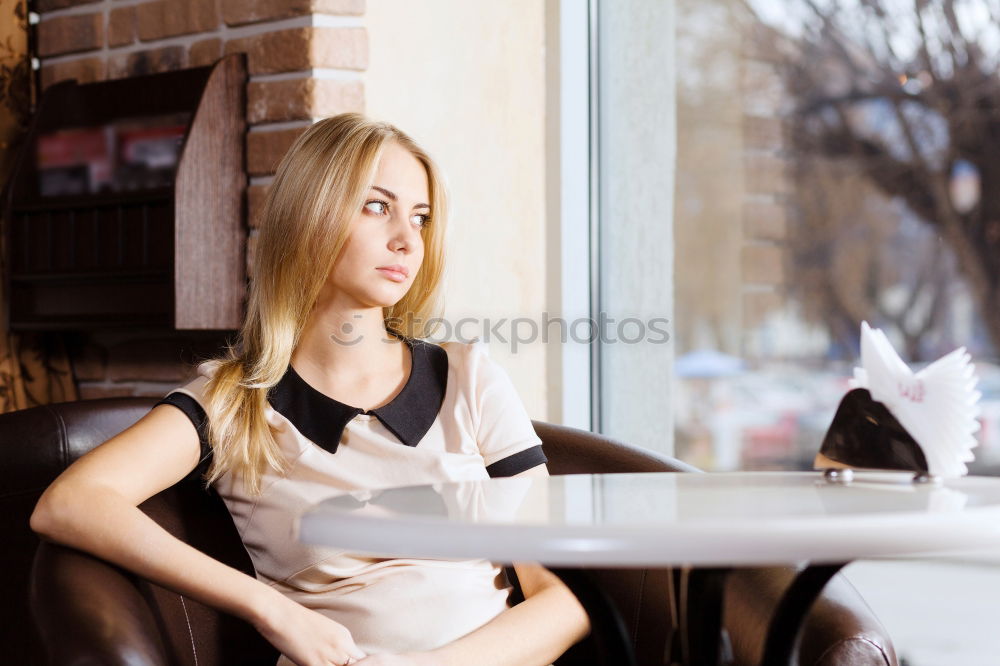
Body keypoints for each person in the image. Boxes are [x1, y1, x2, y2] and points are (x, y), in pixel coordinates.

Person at [30, 113, 590, 666]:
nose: (406, 240)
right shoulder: (235, 403)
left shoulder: (469, 378)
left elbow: (565, 600)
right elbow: (71, 503)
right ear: (310, 217)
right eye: (378, 206)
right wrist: (269, 608)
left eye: (420, 218)